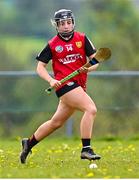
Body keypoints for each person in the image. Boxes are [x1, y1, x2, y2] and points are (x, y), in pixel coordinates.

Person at [20, 9, 101, 164]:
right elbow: (40, 67)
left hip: (79, 85)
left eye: (69, 22)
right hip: (65, 85)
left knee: (55, 123)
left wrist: (88, 68)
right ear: (56, 26)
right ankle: (86, 149)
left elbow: (95, 62)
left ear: (73, 23)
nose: (66, 26)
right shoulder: (52, 45)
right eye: (62, 23)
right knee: (91, 109)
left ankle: (28, 143)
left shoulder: (82, 39)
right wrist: (51, 80)